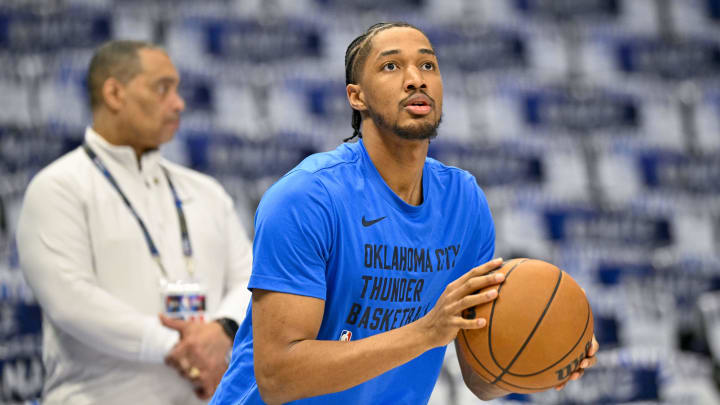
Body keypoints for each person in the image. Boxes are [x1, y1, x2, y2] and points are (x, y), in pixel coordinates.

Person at [210, 22, 598, 405]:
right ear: (356, 96)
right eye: (391, 66)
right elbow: (279, 377)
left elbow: (481, 379)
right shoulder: (308, 197)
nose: (416, 79)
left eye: (428, 65)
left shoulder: (464, 203)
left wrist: (551, 353)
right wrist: (427, 332)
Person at [16, 40, 252, 404]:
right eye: (163, 88)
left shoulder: (206, 192)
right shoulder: (57, 188)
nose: (179, 103)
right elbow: (72, 302)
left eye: (177, 89)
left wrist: (223, 330)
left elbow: (250, 279)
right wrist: (182, 346)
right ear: (114, 93)